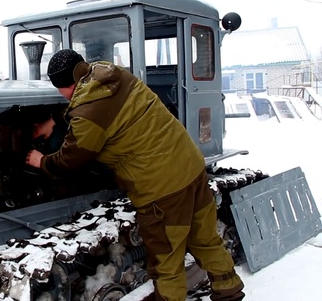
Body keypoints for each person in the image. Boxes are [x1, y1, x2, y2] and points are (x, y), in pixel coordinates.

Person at [25, 49, 244, 301]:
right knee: (205, 239)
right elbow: (96, 109)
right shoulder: (110, 75)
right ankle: (229, 290)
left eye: (59, 89)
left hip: (162, 187)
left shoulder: (87, 114)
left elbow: (70, 159)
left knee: (165, 257)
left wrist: (41, 161)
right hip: (190, 167)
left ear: (65, 86)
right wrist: (55, 120)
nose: (60, 95)